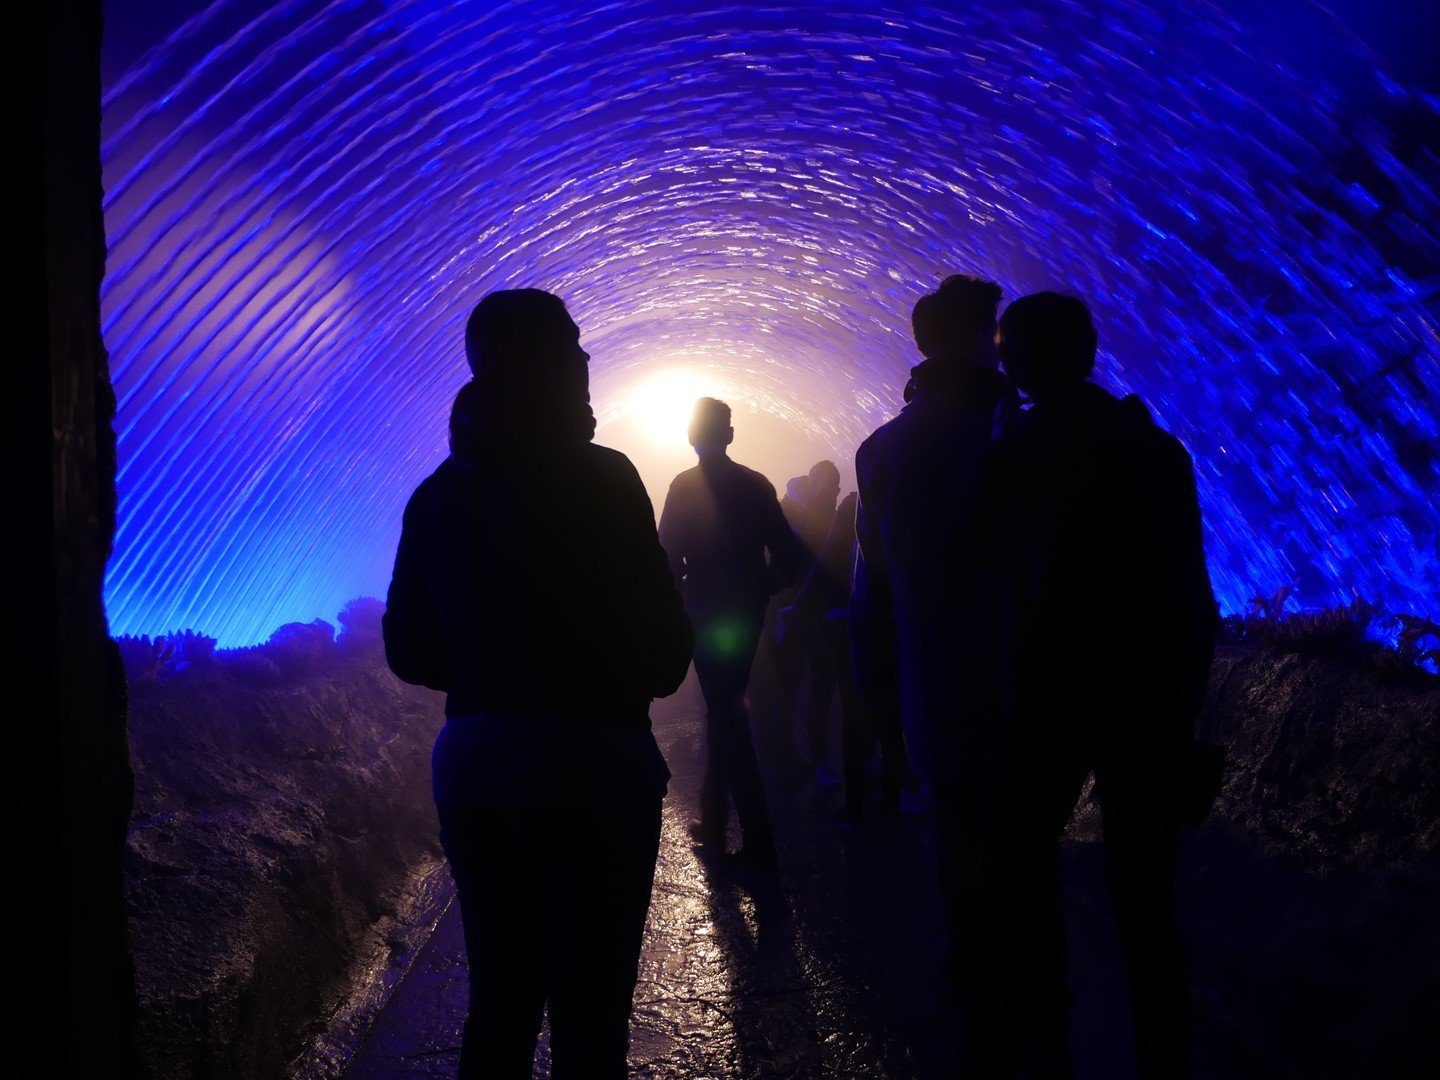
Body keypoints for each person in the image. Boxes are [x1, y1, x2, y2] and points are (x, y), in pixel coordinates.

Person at [382, 289, 693, 1079]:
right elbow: (663, 655)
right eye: (575, 345)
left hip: (476, 769)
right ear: (551, 366)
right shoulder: (605, 480)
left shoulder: (436, 494)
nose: (588, 360)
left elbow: (408, 650)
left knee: (501, 1003)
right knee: (591, 1017)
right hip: (593, 770)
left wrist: (494, 672)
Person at [970, 292, 1217, 1078]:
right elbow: (1191, 592)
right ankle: (1163, 1057)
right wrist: (1183, 701)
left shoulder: (1019, 452)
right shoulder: (1155, 450)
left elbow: (979, 561)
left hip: (1050, 689)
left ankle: (1042, 1034)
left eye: (1006, 352)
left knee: (1016, 861)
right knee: (1147, 899)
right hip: (1145, 694)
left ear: (1022, 363)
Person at [850, 274, 1015, 992]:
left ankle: (968, 961)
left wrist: (875, 678)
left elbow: (873, 583)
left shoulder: (881, 449)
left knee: (951, 823)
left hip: (929, 679)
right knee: (1019, 839)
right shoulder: (1008, 433)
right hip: (1020, 675)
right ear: (980, 341)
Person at [659, 397, 803, 874]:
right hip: (745, 616)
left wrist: (679, 598)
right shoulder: (757, 485)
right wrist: (761, 589)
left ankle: (758, 840)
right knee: (726, 709)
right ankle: (718, 820)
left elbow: (665, 556)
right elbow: (790, 555)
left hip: (705, 614)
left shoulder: (684, 487)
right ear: (730, 435)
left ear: (691, 436)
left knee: (725, 714)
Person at [784, 490, 906, 822]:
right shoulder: (887, 502)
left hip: (843, 620)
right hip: (877, 620)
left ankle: (855, 800)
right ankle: (891, 789)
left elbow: (822, 565)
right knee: (875, 703)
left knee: (845, 703)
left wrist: (797, 608)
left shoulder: (852, 505)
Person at [771, 461, 844, 786]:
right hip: (800, 614)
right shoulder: (816, 515)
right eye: (825, 485)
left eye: (831, 486)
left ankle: (798, 761)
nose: (827, 492)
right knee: (808, 689)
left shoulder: (794, 510)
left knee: (804, 689)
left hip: (801, 613)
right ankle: (804, 761)